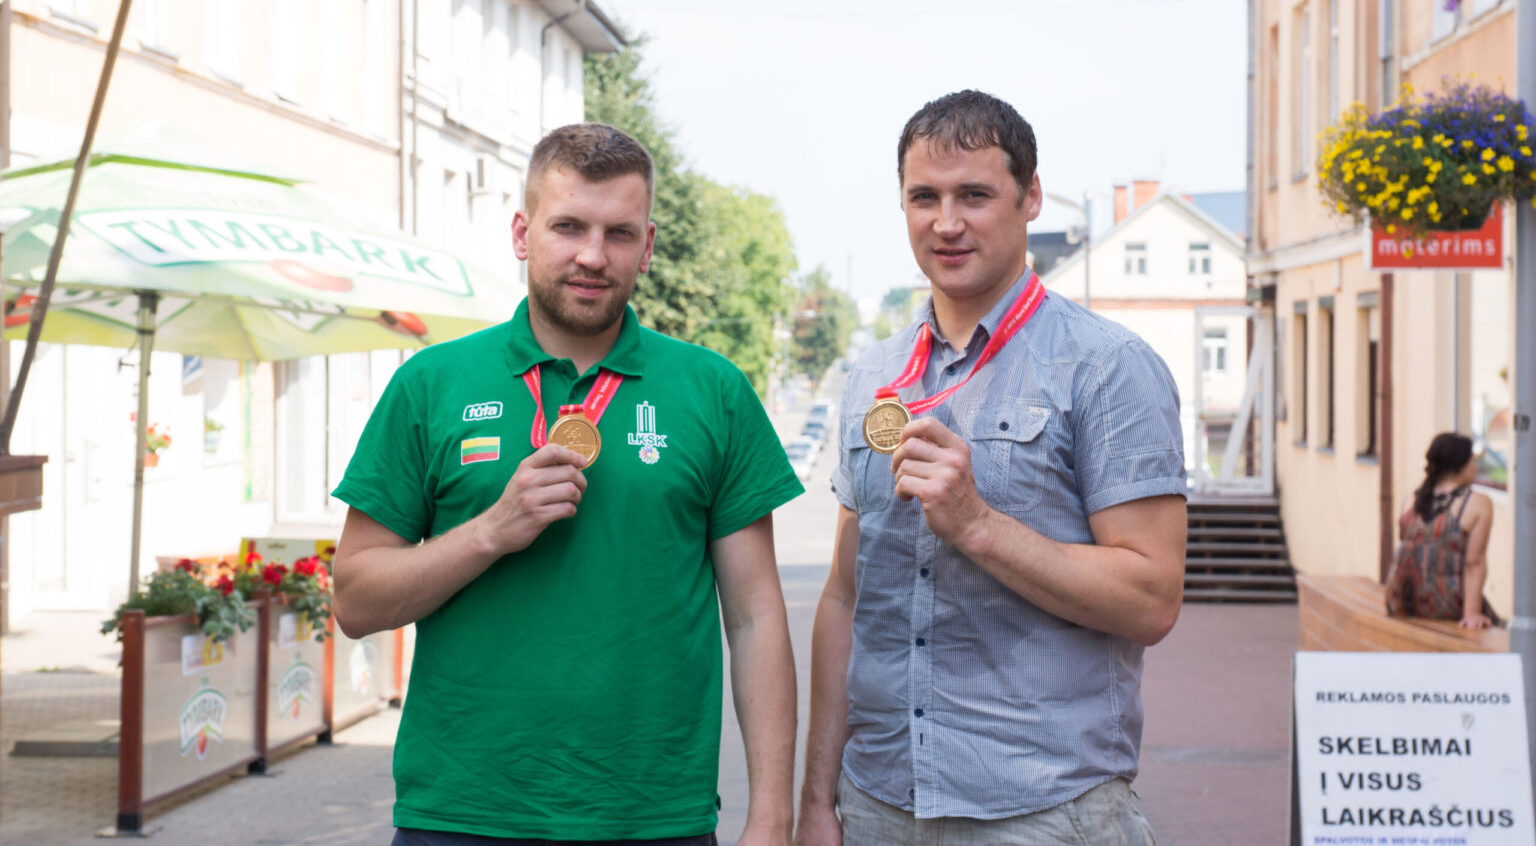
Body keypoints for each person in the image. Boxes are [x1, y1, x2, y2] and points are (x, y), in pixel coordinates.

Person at [331, 123, 803, 845]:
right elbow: (356, 601)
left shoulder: (713, 391)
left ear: (647, 247)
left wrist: (771, 815)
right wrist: (490, 531)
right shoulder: (431, 384)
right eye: (568, 226)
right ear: (523, 233)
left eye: (619, 233)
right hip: (461, 816)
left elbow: (757, 616)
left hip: (654, 819)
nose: (591, 255)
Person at [794, 90, 1188, 846]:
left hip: (1043, 811)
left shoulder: (1107, 368)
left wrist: (978, 525)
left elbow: (1152, 600)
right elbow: (846, 598)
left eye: (974, 194)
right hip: (878, 804)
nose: (946, 222)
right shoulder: (873, 377)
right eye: (924, 197)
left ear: (1030, 196)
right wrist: (819, 802)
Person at [1385, 432, 1497, 629]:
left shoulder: (1410, 499)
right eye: (1472, 460)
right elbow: (1474, 563)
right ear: (1459, 464)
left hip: (1400, 602)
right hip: (1445, 605)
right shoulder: (1477, 503)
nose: (1476, 467)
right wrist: (1472, 614)